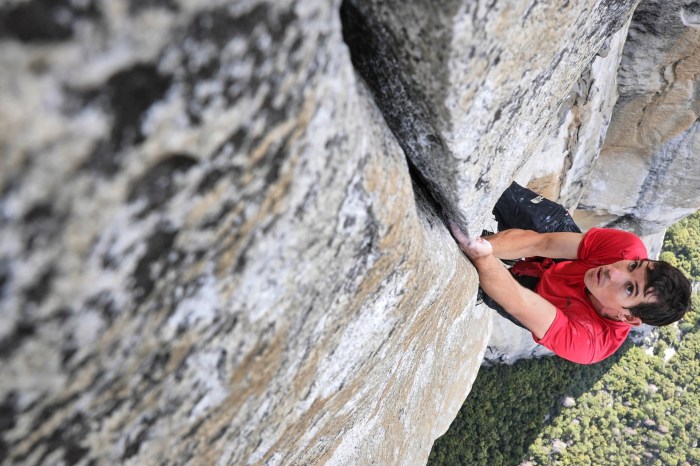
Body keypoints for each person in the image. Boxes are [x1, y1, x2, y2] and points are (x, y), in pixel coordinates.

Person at [448, 186, 692, 365]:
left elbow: (518, 301)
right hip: (566, 258)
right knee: (500, 191)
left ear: (628, 318)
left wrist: (480, 258)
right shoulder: (626, 249)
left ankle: (494, 272)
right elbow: (541, 243)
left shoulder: (590, 342)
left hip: (540, 298)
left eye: (629, 289)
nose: (613, 271)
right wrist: (482, 245)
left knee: (492, 289)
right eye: (633, 266)